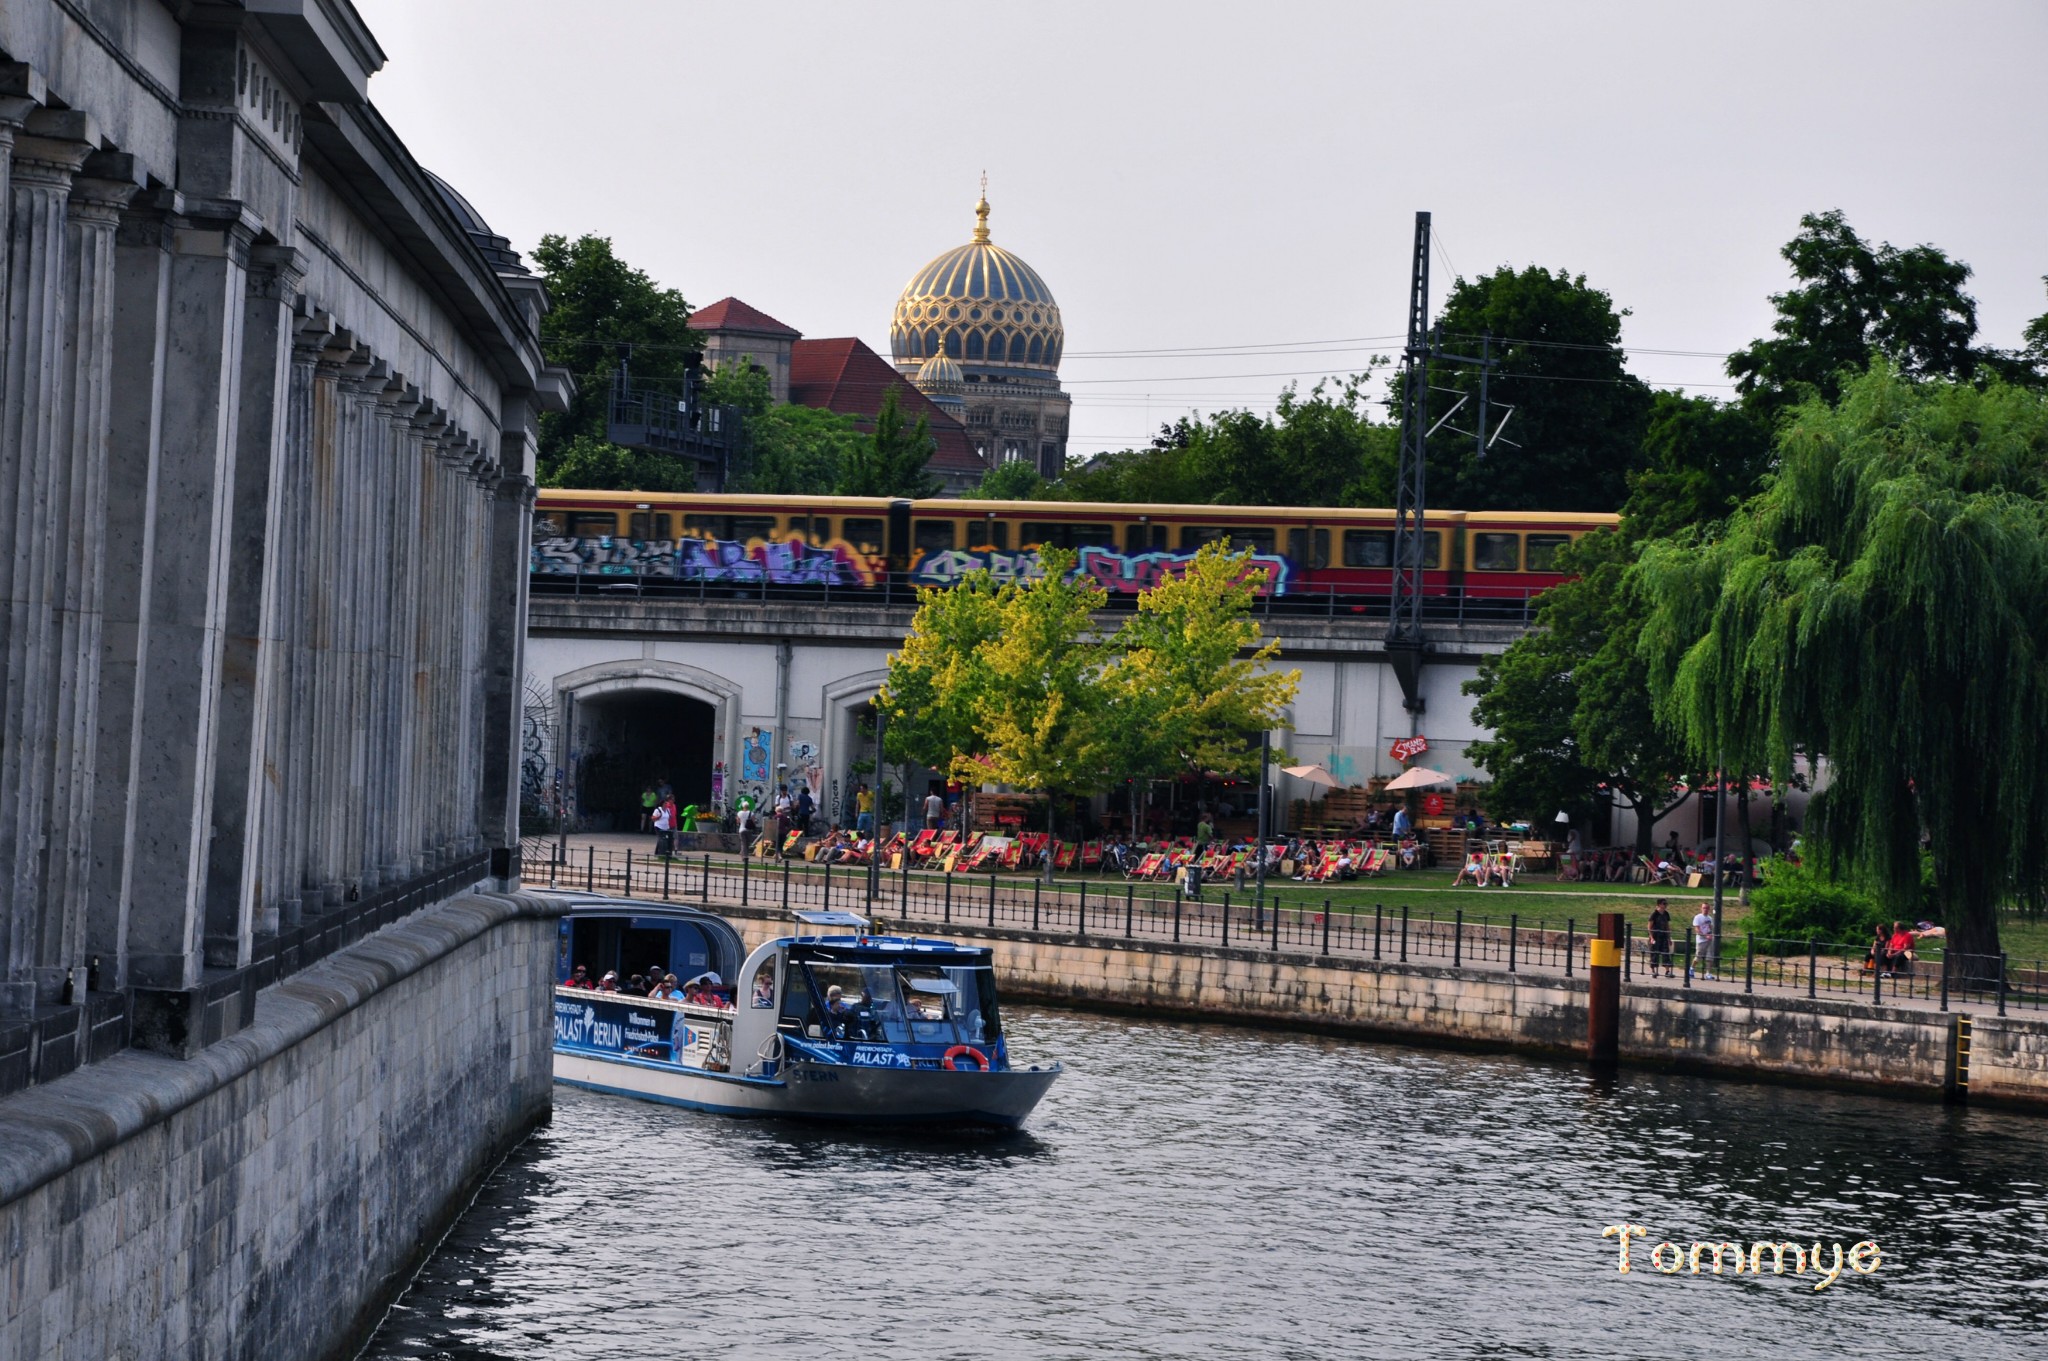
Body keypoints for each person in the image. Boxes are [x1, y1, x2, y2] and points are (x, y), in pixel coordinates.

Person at [1648, 900, 1674, 978]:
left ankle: (1667, 971)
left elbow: (1667, 926)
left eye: (1666, 903)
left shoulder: (1666, 914)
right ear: (1659, 905)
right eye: (1664, 904)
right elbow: (1649, 926)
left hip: (1664, 936)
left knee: (1666, 953)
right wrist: (1651, 937)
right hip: (1655, 936)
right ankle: (1653, 971)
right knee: (1654, 954)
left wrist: (1669, 938)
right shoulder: (1654, 914)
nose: (1666, 905)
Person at [1691, 903, 1716, 980]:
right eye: (1704, 908)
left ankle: (1708, 973)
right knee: (1698, 957)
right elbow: (1697, 929)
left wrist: (1711, 934)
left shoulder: (1709, 918)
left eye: (1707, 908)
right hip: (1701, 940)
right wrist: (1705, 935)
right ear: (1701, 908)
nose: (1705, 909)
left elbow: (1710, 927)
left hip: (1709, 940)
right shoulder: (1698, 917)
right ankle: (1691, 969)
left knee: (1709, 957)